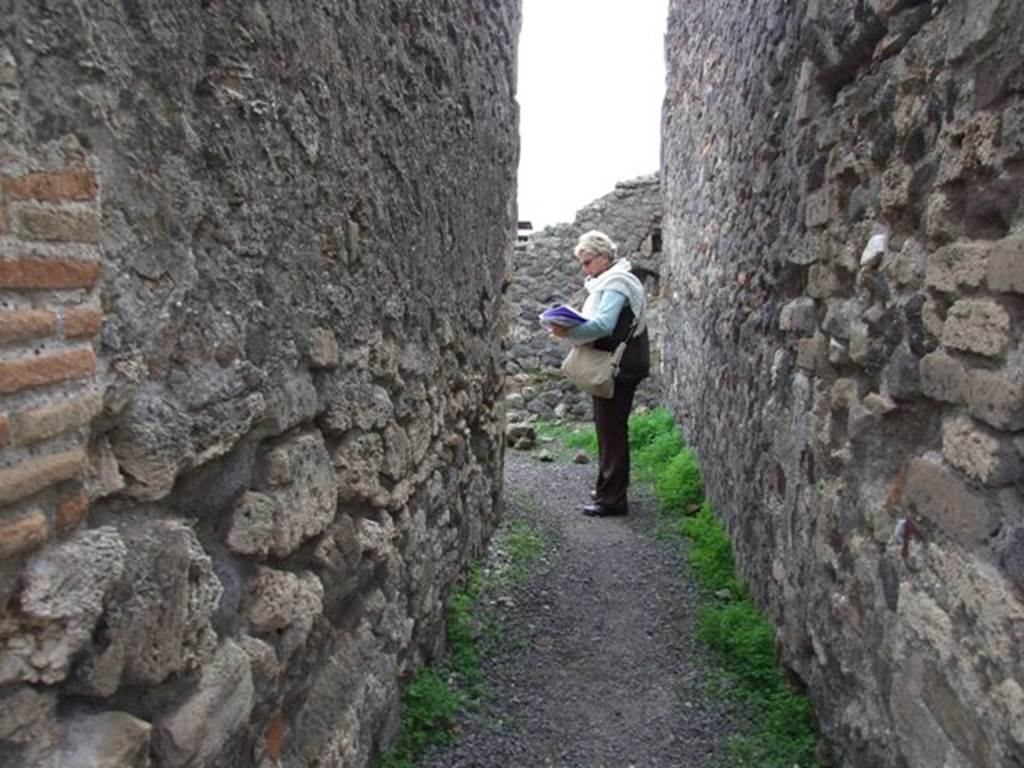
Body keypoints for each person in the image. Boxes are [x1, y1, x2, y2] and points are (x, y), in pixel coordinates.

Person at [548, 230, 650, 517]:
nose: (585, 268)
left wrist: (569, 330)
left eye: (588, 261)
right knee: (608, 429)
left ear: (604, 258)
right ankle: (608, 489)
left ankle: (613, 499)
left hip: (619, 366)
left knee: (612, 431)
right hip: (618, 363)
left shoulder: (617, 283)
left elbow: (604, 324)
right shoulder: (609, 281)